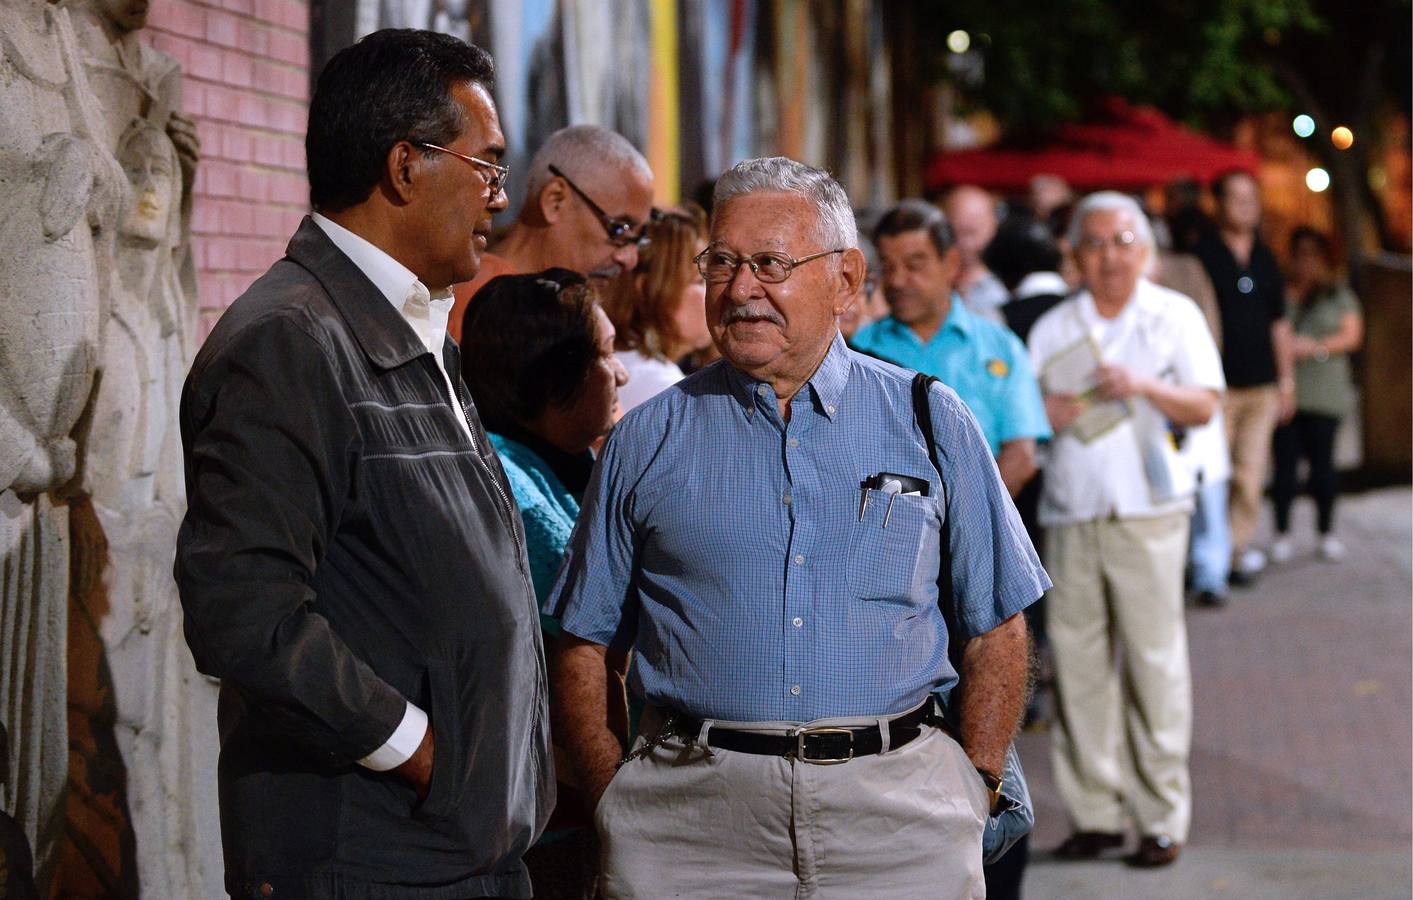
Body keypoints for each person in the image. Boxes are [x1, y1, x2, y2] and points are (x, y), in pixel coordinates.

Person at [546, 157, 1047, 899]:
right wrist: (608, 797)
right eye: (721, 262)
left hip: (900, 823)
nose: (741, 289)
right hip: (688, 826)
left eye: (771, 265)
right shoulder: (644, 439)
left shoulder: (929, 419)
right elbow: (585, 641)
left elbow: (996, 626)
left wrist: (972, 789)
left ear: (844, 281)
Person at [174, 30, 553, 899]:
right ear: (405, 165)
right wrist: (424, 754)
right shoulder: (289, 341)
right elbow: (243, 609)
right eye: (488, 166)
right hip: (371, 860)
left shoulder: (410, 326)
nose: (500, 196)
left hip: (458, 852)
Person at [1029, 192, 1224, 868]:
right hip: (1073, 508)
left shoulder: (1173, 316)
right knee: (1077, 668)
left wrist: (1142, 385)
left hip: (1149, 509)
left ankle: (1160, 816)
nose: (1109, 256)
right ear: (1074, 254)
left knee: (1153, 663)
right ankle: (1094, 813)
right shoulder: (1054, 326)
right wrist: (1045, 413)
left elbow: (1203, 403)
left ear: (1142, 249)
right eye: (1094, 243)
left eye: (1121, 241)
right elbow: (1028, 418)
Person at [460, 269, 629, 899]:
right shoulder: (506, 481)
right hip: (543, 814)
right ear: (555, 374)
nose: (622, 374)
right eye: (607, 354)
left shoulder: (568, 461)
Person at [852, 199, 1050, 498]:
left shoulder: (999, 346)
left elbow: (1021, 456)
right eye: (887, 267)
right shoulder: (858, 351)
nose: (897, 280)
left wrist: (958, 518)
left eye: (914, 266)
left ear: (951, 263)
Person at [448, 124, 654, 341]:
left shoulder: (555, 312)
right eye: (619, 229)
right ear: (555, 200)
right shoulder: (479, 307)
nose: (630, 260)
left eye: (638, 239)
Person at [1192, 170, 1295, 585]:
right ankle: (1207, 560)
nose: (1245, 206)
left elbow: (1280, 325)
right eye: (1236, 198)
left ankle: (1234, 553)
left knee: (1250, 477)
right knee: (1212, 478)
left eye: (1251, 198)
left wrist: (1286, 381)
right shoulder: (1201, 256)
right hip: (1215, 388)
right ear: (1218, 203)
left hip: (1262, 386)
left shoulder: (1267, 257)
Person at [1270, 227, 1363, 564]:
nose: (1306, 262)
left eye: (1313, 254)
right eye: (1300, 254)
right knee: (1284, 469)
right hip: (1285, 393)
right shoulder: (1280, 292)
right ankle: (1282, 533)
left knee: (1323, 468)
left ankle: (1326, 532)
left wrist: (1315, 348)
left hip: (1324, 393)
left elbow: (1352, 336)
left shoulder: (1337, 294)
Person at [601, 204, 713, 413]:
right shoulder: (663, 388)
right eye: (699, 280)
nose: (716, 292)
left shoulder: (609, 364)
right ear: (647, 288)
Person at [942, 184, 1009, 322]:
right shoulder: (935, 279)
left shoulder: (1009, 279)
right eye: (953, 233)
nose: (962, 243)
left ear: (994, 227)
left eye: (971, 232)